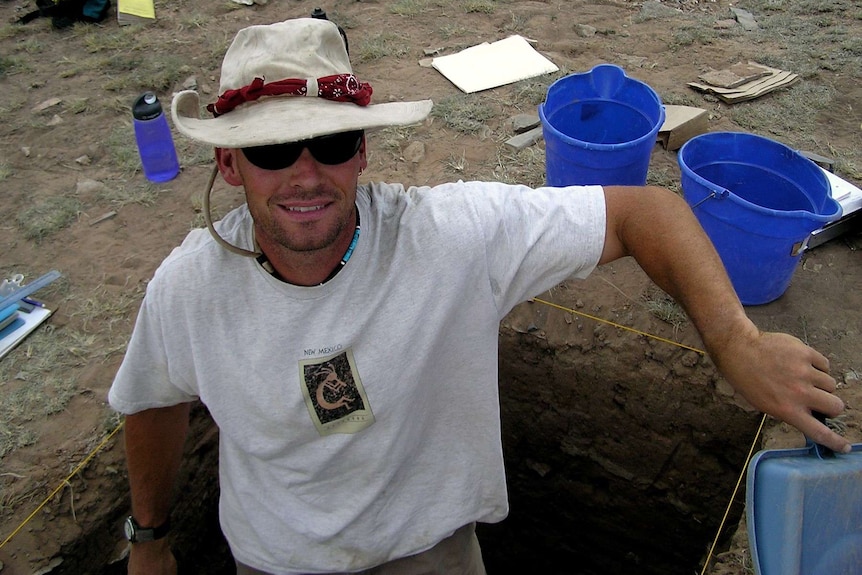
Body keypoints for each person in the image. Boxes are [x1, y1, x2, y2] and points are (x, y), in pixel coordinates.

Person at [108, 17, 850, 575]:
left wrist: (738, 344)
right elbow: (151, 398)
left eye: (331, 143)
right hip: (275, 561)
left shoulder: (450, 237)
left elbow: (644, 210)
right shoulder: (188, 289)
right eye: (273, 150)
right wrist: (150, 535)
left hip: (433, 555)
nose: (306, 175)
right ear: (231, 166)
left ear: (363, 149)